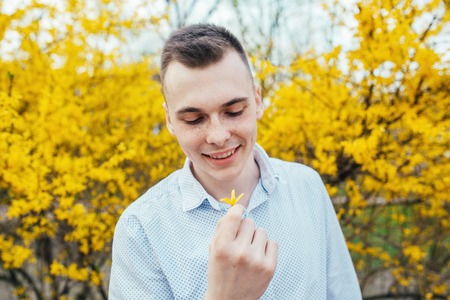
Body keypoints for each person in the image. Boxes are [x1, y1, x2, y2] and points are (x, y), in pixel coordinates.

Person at [108, 24, 362, 299]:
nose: (218, 136)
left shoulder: (307, 187)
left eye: (233, 111)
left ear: (257, 100)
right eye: (194, 120)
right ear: (170, 120)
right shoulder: (141, 230)